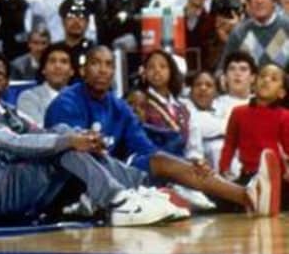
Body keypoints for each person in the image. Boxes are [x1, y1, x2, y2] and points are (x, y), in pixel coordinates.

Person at [0, 50, 180, 227]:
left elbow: (40, 131)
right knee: (63, 145)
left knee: (63, 131)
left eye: (0, 76)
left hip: (10, 185)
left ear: (7, 82)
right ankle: (119, 202)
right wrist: (69, 141)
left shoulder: (5, 109)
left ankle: (135, 190)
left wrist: (81, 138)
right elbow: (13, 142)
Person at [45, 46, 278, 216]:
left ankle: (246, 196)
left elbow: (146, 148)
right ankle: (245, 196)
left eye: (108, 64)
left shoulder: (118, 105)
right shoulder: (67, 102)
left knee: (165, 161)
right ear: (83, 70)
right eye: (96, 63)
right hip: (74, 181)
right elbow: (70, 155)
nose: (103, 70)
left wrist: (181, 165)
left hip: (115, 171)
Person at [220, 64, 289, 202]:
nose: (266, 80)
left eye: (273, 79)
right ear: (254, 83)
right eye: (262, 76)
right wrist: (224, 168)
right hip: (248, 175)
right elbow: (230, 144)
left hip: (277, 178)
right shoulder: (238, 112)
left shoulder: (285, 116)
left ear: (281, 93)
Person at [16, 40, 74, 126]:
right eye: (52, 61)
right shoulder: (28, 98)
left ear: (72, 71)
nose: (57, 66)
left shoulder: (81, 98)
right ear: (43, 70)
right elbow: (37, 132)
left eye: (64, 61)